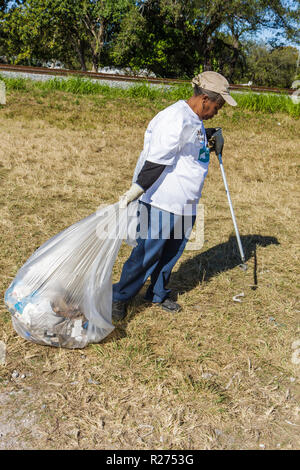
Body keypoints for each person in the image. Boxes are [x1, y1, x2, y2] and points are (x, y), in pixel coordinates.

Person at [112, 71, 237, 321]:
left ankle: (157, 293)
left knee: (171, 252)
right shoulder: (174, 118)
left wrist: (210, 134)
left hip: (185, 202)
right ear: (204, 99)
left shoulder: (194, 118)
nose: (217, 110)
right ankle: (119, 298)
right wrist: (136, 190)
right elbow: (157, 161)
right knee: (147, 253)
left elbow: (188, 145)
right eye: (217, 105)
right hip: (162, 200)